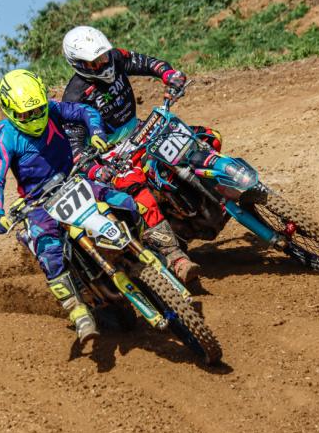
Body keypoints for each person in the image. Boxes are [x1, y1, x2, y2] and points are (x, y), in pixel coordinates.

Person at [0, 69, 139, 345]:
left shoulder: (54, 109)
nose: (34, 117)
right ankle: (77, 309)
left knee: (125, 202)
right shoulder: (5, 134)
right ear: (10, 111)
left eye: (38, 110)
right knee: (49, 249)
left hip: (74, 180)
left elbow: (84, 111)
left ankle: (143, 252)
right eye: (25, 115)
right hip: (38, 202)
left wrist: (96, 132)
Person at [61, 26, 211, 284]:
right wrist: (97, 169)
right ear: (79, 64)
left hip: (141, 128)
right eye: (94, 62)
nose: (103, 63)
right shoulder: (74, 97)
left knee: (206, 138)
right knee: (141, 194)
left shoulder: (116, 57)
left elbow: (149, 63)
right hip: (113, 153)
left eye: (103, 56)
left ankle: (218, 196)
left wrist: (170, 75)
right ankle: (175, 257)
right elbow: (75, 148)